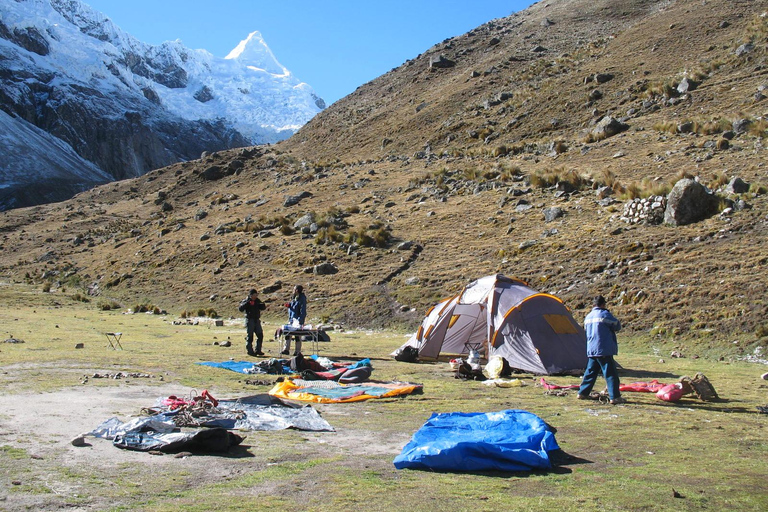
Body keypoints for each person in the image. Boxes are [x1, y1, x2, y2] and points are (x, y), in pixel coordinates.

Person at [577, 295, 626, 405]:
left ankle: (582, 393)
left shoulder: (588, 316)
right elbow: (617, 325)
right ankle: (615, 396)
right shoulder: (605, 314)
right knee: (611, 373)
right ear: (603, 304)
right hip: (603, 348)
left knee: (590, 372)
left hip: (591, 348)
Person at [238, 289, 266, 356]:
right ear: (251, 295)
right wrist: (248, 303)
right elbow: (240, 308)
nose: (256, 296)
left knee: (260, 335)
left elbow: (262, 307)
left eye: (256, 295)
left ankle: (258, 350)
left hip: (256, 320)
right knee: (250, 336)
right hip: (250, 320)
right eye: (254, 295)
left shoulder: (257, 301)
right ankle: (250, 351)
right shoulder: (246, 301)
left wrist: (262, 305)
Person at [281, 285, 307, 355]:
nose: (293, 291)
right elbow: (294, 306)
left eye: (294, 289)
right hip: (291, 319)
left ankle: (297, 351)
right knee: (288, 334)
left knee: (297, 336)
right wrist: (289, 306)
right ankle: (286, 349)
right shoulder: (294, 298)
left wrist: (300, 321)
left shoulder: (302, 299)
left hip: (298, 321)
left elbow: (302, 311)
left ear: (297, 290)